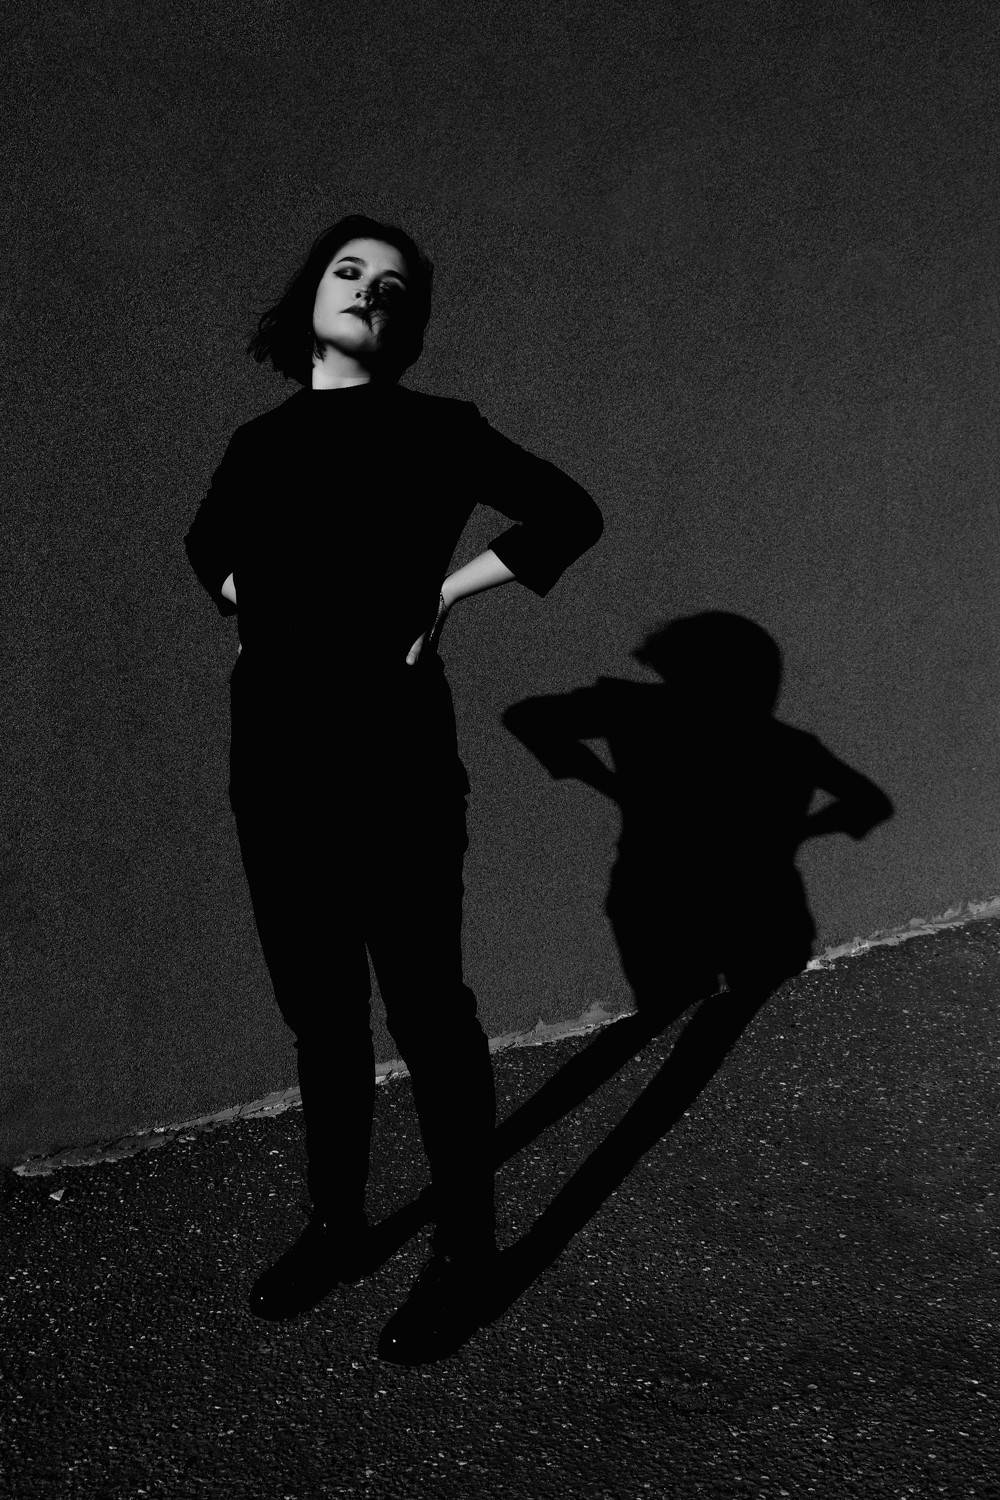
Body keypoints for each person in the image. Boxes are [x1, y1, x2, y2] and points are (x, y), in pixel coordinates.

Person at [184, 214, 603, 1357]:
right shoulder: (259, 442)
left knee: (426, 1010)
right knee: (319, 1013)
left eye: (394, 283)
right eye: (348, 269)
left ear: (406, 320)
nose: (370, 289)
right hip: (273, 771)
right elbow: (206, 542)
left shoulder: (438, 430)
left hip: (396, 767)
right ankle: (337, 1225)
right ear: (309, 295)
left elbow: (569, 514)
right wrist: (253, 610)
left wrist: (446, 592)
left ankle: (467, 1255)